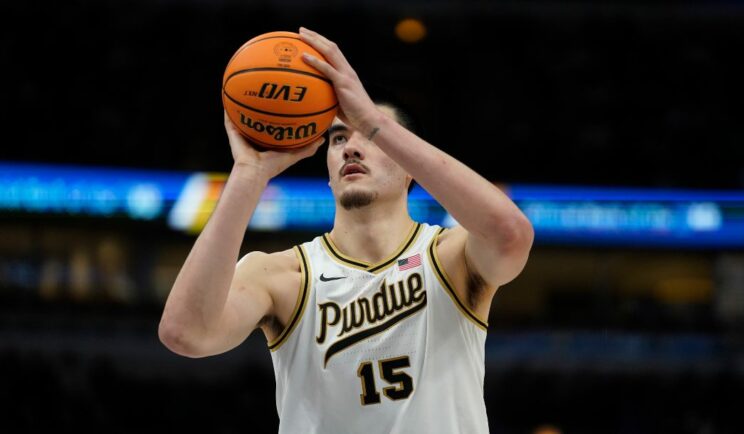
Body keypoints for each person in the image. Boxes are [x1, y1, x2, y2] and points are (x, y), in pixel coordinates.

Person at [159, 27, 534, 433]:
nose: (351, 147)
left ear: (410, 163)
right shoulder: (284, 276)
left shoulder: (450, 257)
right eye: (338, 138)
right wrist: (248, 175)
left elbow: (511, 234)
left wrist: (372, 120)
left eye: (369, 137)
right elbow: (185, 334)